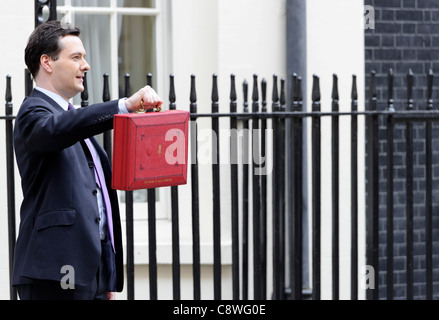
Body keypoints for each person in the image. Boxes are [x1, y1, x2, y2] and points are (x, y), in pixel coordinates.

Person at [12, 20, 163, 300]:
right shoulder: (32, 113)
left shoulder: (74, 122)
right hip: (54, 274)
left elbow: (95, 201)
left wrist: (103, 274)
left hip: (90, 274)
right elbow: (60, 128)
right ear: (47, 62)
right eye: (76, 57)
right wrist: (122, 106)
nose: (86, 65)